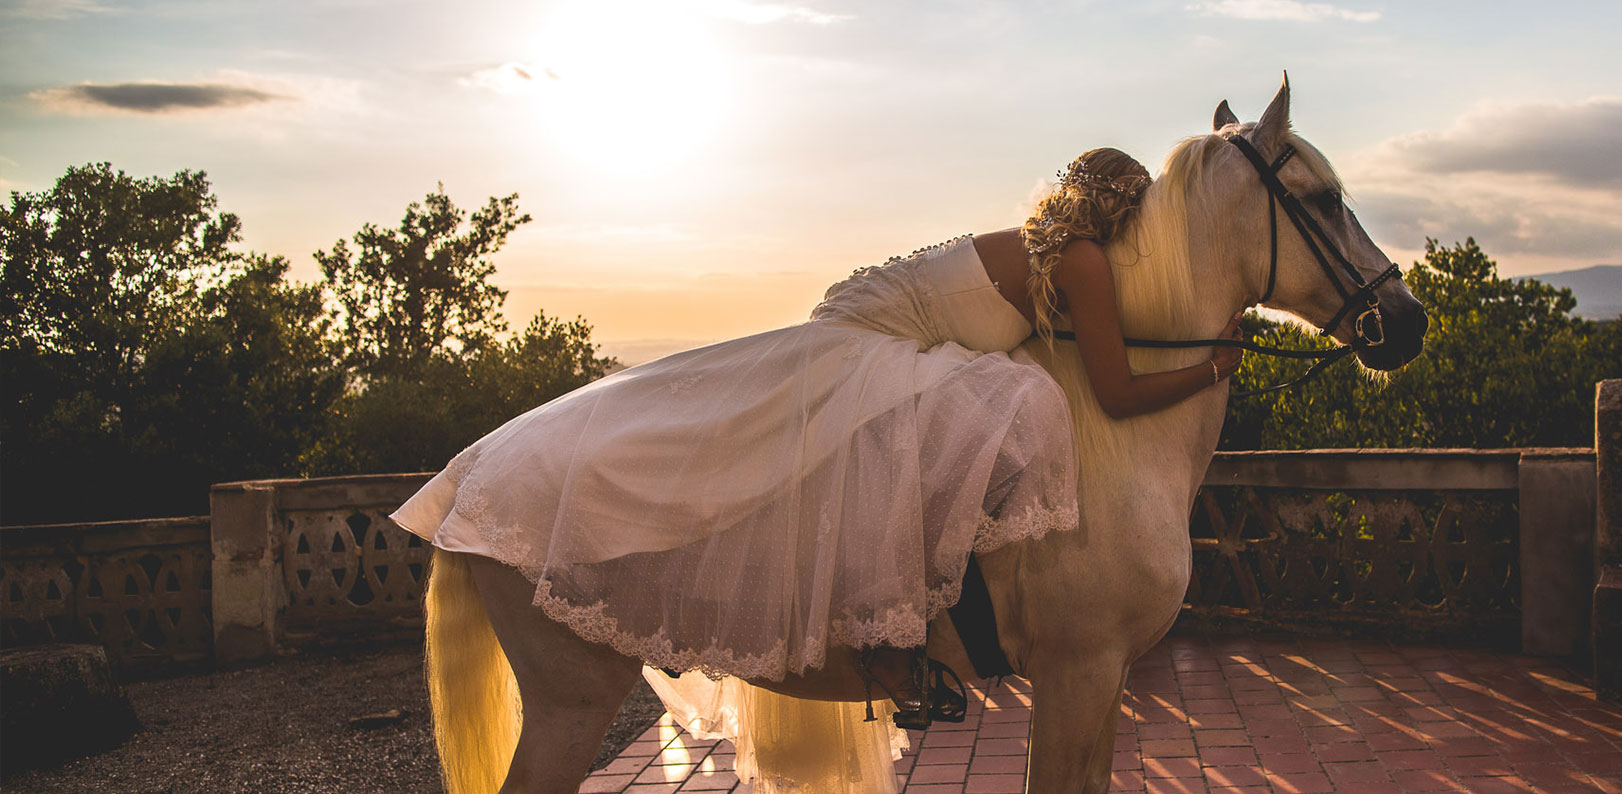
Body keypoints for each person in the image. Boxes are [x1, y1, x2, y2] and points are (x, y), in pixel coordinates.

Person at [389, 147, 1244, 715]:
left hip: (877, 318)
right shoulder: (1085, 258)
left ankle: (901, 641)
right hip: (879, 339)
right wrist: (1215, 367)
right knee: (1008, 421)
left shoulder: (1046, 242)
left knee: (956, 431)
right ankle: (889, 642)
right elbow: (1118, 389)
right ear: (1125, 210)